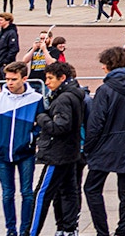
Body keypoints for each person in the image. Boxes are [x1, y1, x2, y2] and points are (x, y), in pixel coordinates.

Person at [84, 46, 125, 236]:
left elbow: (96, 123)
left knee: (91, 188)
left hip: (105, 145)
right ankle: (122, 231)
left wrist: (88, 147)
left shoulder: (105, 89)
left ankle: (102, 231)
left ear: (110, 65)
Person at [0, 62, 44, 236]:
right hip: (2, 153)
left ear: (24, 78)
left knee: (27, 192)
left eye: (13, 79)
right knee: (7, 194)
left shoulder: (36, 99)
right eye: (7, 79)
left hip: (25, 153)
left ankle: (25, 229)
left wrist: (31, 138)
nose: (9, 82)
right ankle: (10, 230)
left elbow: (41, 124)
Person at [30, 61, 86, 236]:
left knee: (42, 193)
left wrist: (41, 118)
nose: (46, 82)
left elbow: (60, 127)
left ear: (62, 78)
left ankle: (31, 231)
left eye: (50, 78)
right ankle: (67, 228)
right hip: (70, 152)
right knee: (68, 190)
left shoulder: (63, 99)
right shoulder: (74, 95)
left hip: (58, 153)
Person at [0, 12, 20, 79]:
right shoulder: (1, 32)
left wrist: (5, 62)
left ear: (8, 21)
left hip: (5, 65)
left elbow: (14, 49)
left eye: (1, 20)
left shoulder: (11, 33)